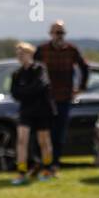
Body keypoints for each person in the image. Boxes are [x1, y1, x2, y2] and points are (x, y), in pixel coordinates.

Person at [34, 20, 89, 178]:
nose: (59, 36)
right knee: (44, 134)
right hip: (46, 99)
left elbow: (84, 67)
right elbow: (34, 69)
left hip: (64, 98)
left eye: (62, 33)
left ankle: (54, 165)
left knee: (59, 135)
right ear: (50, 34)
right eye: (57, 32)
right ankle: (43, 163)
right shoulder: (42, 50)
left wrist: (81, 87)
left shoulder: (71, 50)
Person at [9, 42, 54, 186]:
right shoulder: (17, 74)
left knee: (43, 141)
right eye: (18, 55)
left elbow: (41, 86)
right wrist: (28, 92)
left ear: (30, 54)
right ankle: (21, 172)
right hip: (26, 111)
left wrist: (25, 91)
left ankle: (47, 168)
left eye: (22, 54)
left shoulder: (40, 69)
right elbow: (15, 93)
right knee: (22, 140)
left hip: (41, 110)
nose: (20, 57)